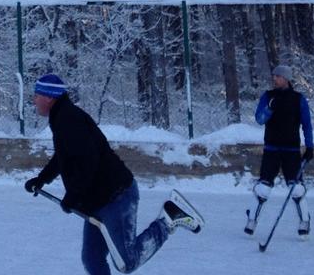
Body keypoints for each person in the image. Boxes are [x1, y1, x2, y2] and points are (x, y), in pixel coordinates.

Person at [24, 74, 203, 275]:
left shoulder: (68, 119)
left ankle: (168, 221)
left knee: (127, 262)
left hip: (116, 197)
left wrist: (73, 196)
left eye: (37, 95)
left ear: (49, 97)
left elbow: (88, 160)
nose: (34, 100)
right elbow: (65, 156)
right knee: (92, 258)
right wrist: (42, 179)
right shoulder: (61, 117)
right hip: (96, 201)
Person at [245, 64, 313, 237]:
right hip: (271, 149)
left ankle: (304, 221)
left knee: (296, 189)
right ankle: (252, 220)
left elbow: (306, 124)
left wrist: (310, 146)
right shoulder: (268, 96)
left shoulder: (298, 99)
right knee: (263, 188)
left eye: (278, 76)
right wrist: (269, 109)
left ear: (286, 78)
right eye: (273, 76)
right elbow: (260, 119)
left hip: (291, 150)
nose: (274, 79)